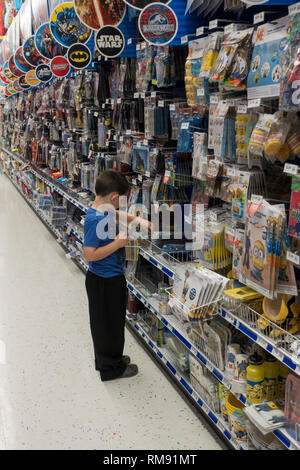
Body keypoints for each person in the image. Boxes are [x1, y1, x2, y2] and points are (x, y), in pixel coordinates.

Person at [83, 170, 151, 381]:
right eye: (121, 200)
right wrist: (118, 244)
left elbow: (116, 214)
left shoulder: (101, 209)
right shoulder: (95, 220)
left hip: (108, 278)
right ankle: (111, 369)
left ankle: (110, 359)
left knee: (110, 323)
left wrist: (137, 219)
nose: (121, 205)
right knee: (108, 326)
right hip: (104, 281)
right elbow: (89, 255)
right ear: (114, 197)